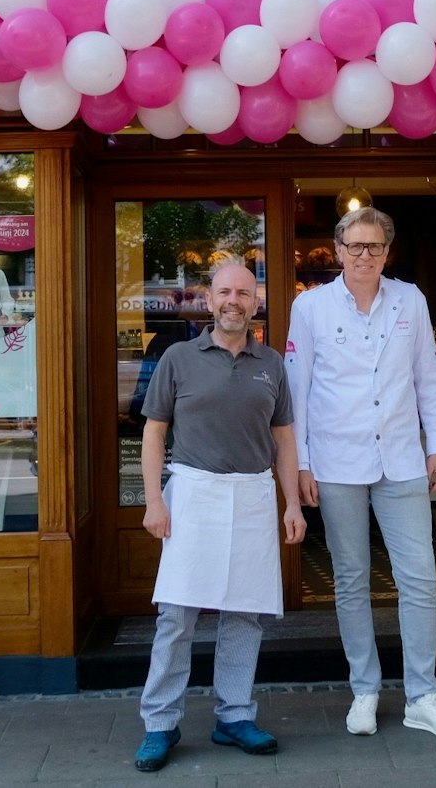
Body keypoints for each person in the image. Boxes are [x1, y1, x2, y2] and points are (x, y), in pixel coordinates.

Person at [286, 206, 436, 741]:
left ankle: (422, 696)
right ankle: (364, 689)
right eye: (354, 246)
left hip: (401, 458)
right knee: (350, 578)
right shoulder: (311, 307)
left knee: (420, 578)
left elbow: (429, 378)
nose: (364, 255)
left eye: (374, 247)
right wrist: (300, 462)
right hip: (337, 460)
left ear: (387, 253)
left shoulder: (409, 299)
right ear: (338, 251)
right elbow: (297, 388)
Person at [133, 260, 307, 773]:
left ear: (256, 303)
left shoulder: (271, 362)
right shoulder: (179, 358)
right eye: (225, 292)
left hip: (253, 496)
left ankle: (234, 715)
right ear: (209, 301)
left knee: (245, 614)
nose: (234, 301)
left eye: (244, 293)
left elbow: (283, 438)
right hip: (193, 494)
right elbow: (153, 433)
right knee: (177, 616)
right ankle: (160, 723)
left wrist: (292, 501)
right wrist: (153, 501)